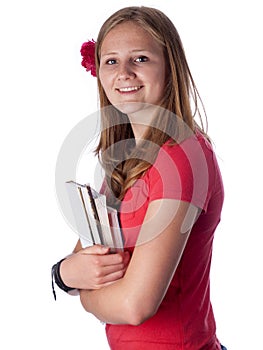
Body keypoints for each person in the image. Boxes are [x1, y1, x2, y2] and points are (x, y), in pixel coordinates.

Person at [52, 6, 227, 350]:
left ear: (170, 67)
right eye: (111, 61)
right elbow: (86, 259)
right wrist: (63, 274)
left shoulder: (183, 157)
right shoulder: (125, 159)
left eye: (141, 59)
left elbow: (135, 306)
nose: (124, 73)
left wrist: (84, 296)